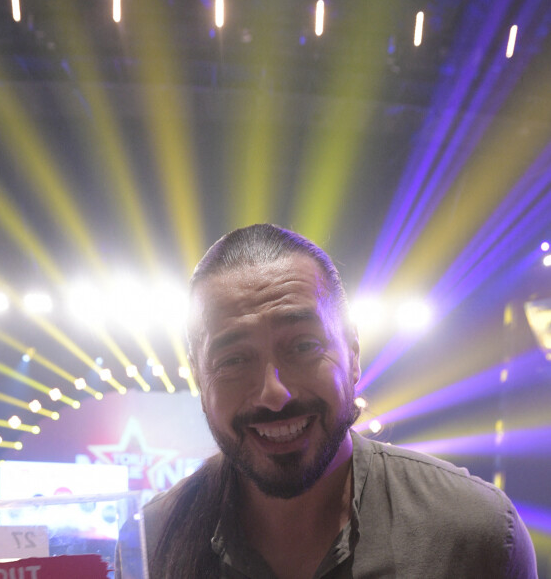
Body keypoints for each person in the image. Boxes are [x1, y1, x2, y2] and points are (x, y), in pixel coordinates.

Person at [142, 223, 538, 578]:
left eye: (303, 346)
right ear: (199, 377)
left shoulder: (472, 533)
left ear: (352, 355)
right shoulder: (153, 540)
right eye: (233, 360)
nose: (274, 393)